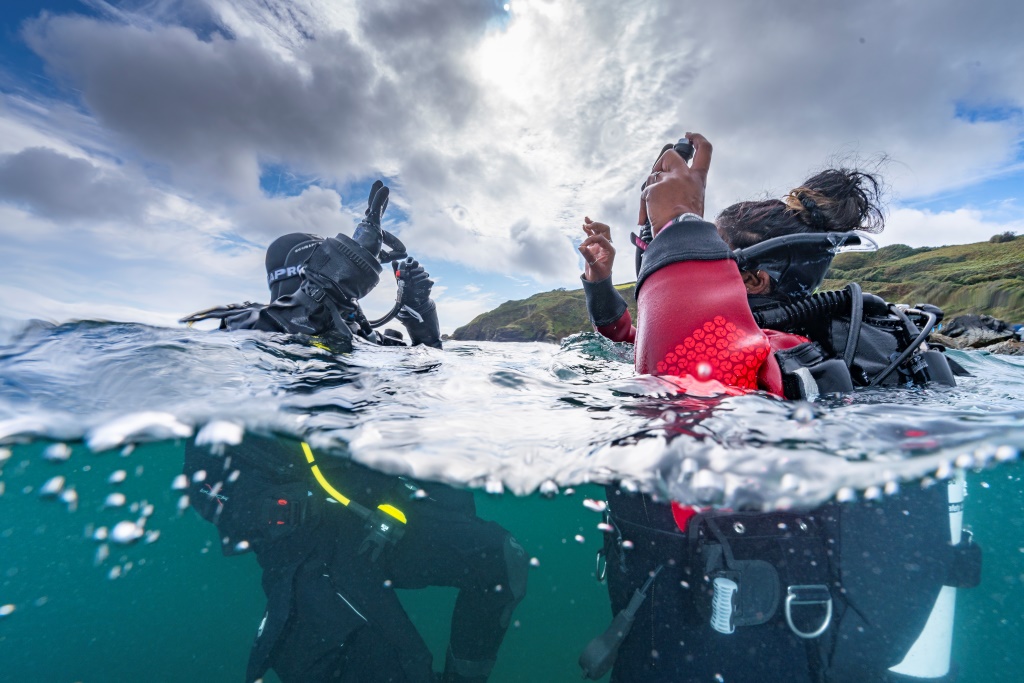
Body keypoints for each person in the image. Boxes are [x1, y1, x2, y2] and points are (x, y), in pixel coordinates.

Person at [576, 138, 981, 682]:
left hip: (728, 654)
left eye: (722, 257)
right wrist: (606, 280)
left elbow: (676, 375)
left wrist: (680, 228)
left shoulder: (767, 352)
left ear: (753, 279)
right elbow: (635, 333)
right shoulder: (804, 348)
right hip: (794, 640)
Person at [181, 181, 528, 683]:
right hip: (309, 560)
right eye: (323, 282)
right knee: (404, 671)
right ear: (299, 283)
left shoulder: (363, 345)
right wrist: (289, 506)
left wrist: (425, 334)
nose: (343, 308)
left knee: (500, 558)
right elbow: (205, 490)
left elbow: (424, 414)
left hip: (380, 527)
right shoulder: (246, 333)